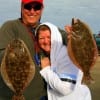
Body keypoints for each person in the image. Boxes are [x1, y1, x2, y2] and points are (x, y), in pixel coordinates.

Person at [0, 0, 68, 100]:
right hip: (11, 96)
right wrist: (12, 55)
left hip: (43, 95)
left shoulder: (46, 28)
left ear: (42, 9)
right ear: (22, 7)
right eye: (28, 7)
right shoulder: (10, 26)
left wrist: (73, 37)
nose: (32, 11)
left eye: (36, 7)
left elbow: (65, 37)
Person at [35, 22, 92, 100]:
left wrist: (46, 70)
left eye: (49, 37)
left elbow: (65, 89)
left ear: (55, 36)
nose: (45, 41)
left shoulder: (66, 54)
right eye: (41, 38)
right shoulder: (49, 56)